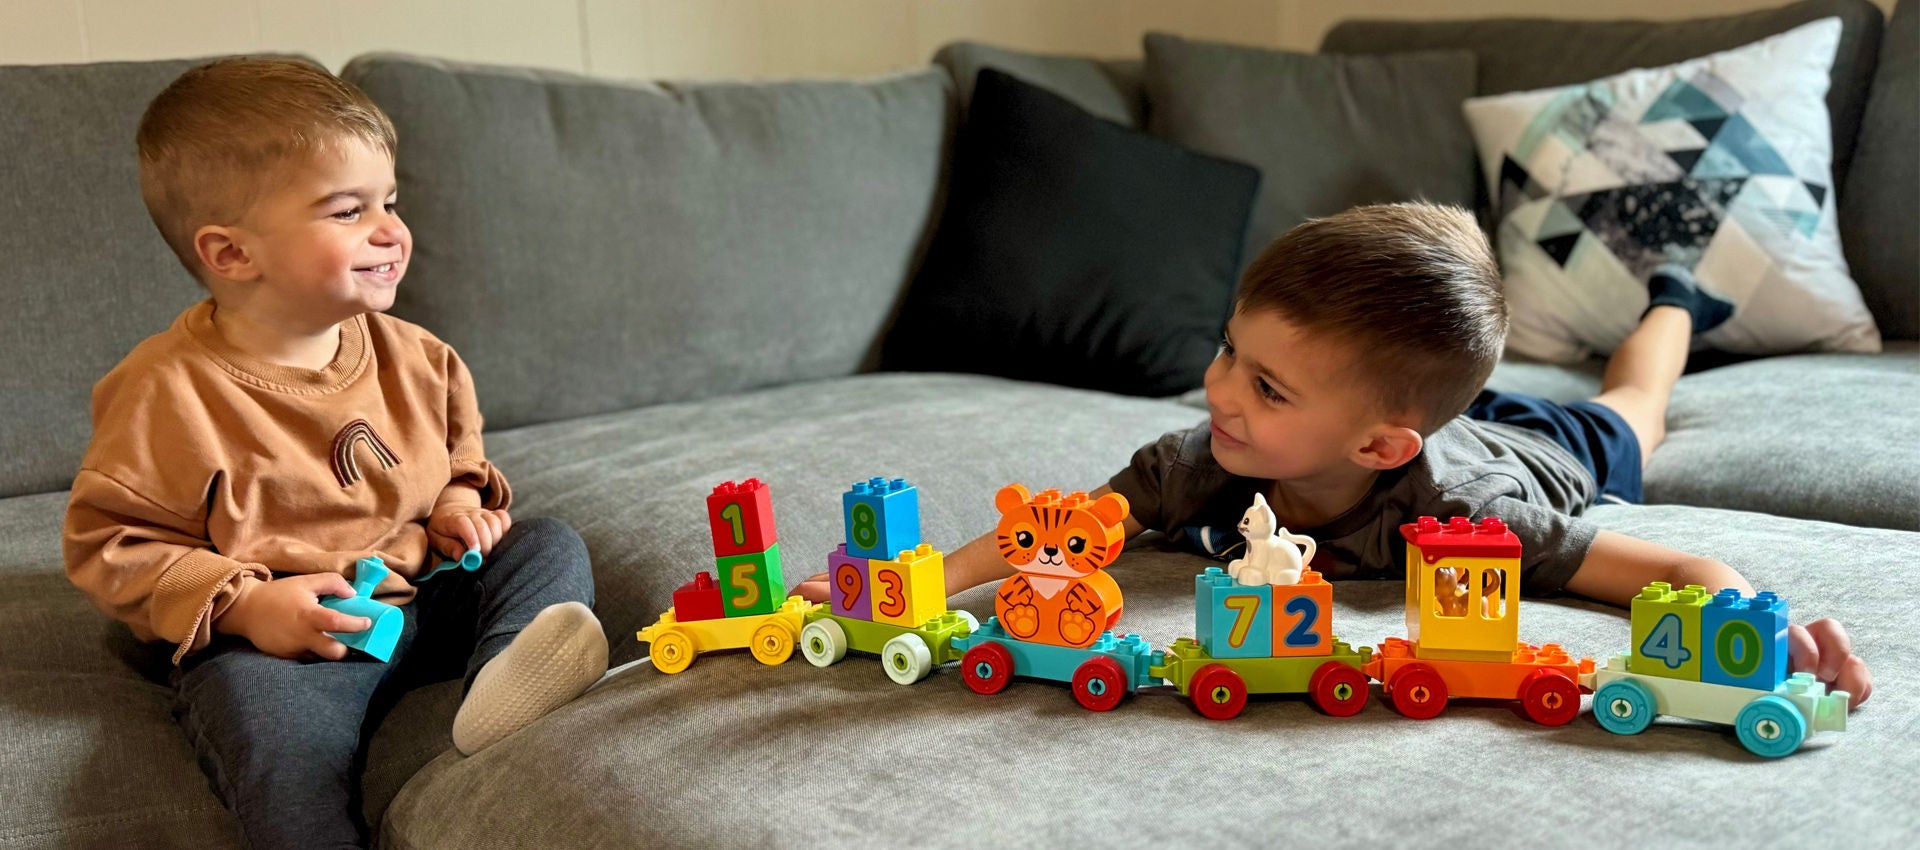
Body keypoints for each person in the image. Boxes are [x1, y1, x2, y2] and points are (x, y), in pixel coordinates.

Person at [802, 201, 1871, 708]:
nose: (1218, 388)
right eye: (1231, 349)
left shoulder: (1477, 521)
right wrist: (903, 584)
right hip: (1412, 414)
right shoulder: (1198, 457)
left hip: (1540, 445)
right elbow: (1054, 532)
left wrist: (1751, 627)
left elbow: (1677, 575)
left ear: (1377, 442)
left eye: (1264, 386)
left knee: (1633, 402)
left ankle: (1674, 298)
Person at [63, 57, 608, 849]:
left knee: (545, 543)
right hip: (289, 637)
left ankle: (505, 682)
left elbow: (457, 452)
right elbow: (111, 544)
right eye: (348, 211)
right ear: (232, 254)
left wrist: (460, 507)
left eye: (390, 201)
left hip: (423, 587)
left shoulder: (419, 356)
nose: (391, 230)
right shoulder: (165, 392)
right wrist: (250, 607)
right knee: (274, 745)